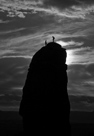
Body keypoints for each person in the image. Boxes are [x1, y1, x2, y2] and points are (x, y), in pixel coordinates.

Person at [19, 38, 71, 135]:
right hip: (51, 112)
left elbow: (29, 89)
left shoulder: (40, 60)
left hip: (37, 111)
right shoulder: (59, 69)